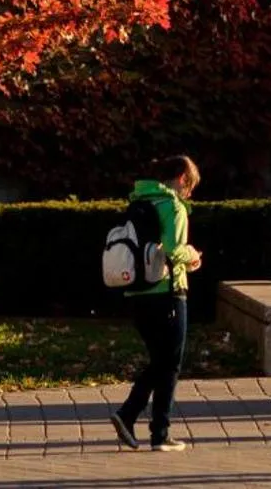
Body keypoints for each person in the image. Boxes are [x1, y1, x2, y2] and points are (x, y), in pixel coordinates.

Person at [109, 156, 203, 452]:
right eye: (190, 187)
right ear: (182, 179)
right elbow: (175, 250)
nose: (189, 195)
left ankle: (154, 430)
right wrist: (194, 257)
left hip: (137, 293)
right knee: (169, 363)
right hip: (168, 292)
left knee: (160, 362)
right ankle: (141, 422)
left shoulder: (138, 201)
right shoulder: (172, 206)